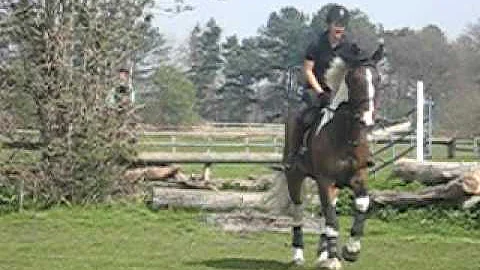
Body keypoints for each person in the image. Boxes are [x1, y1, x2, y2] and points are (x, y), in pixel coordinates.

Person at [285, 4, 356, 168]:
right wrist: (320, 92)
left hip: (339, 93)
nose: (339, 27)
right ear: (329, 24)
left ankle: (359, 155)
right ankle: (294, 155)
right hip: (316, 90)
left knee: (358, 118)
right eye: (336, 23)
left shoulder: (349, 48)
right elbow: (308, 71)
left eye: (342, 24)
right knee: (302, 117)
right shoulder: (317, 44)